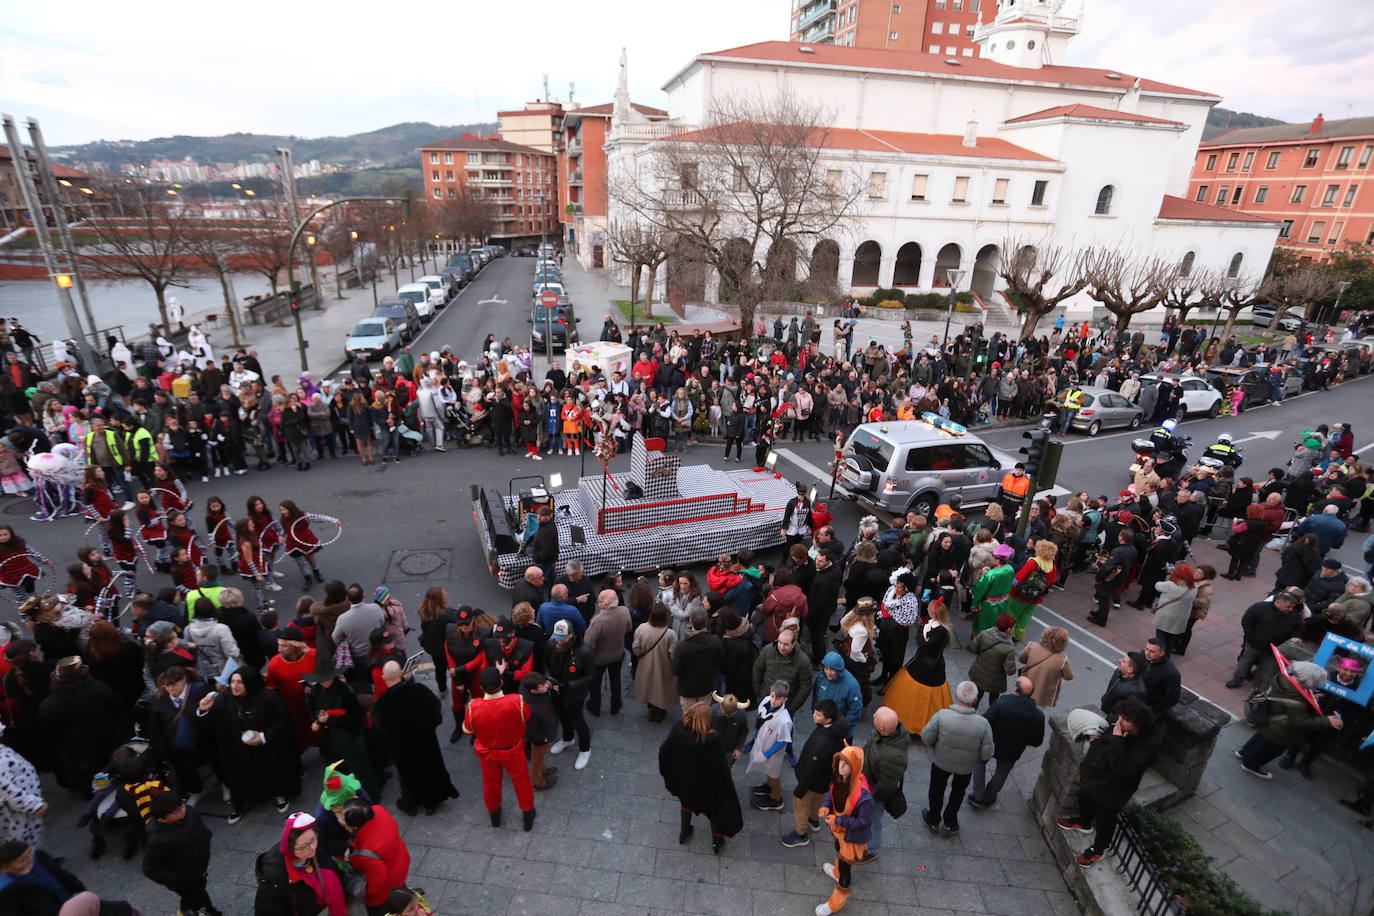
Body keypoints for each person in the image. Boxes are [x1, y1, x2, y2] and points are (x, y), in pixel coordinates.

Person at [1056, 697, 1162, 868]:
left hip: (1115, 788)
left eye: (1125, 720)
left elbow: (1123, 769)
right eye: (1120, 717)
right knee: (1085, 798)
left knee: (1105, 818)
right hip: (1096, 776)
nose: (1118, 722)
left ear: (1139, 725)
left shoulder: (1148, 745)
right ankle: (1083, 822)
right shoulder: (1118, 723)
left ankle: (1099, 848)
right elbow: (1102, 742)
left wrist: (1117, 740)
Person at [194, 668, 300, 824]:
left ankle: (279, 795)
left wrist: (263, 737)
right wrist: (202, 710)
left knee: (270, 771)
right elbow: (209, 724)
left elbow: (282, 721)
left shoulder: (269, 698)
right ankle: (240, 804)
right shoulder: (224, 700)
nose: (235, 686)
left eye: (240, 682)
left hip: (264, 748)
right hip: (236, 749)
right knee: (239, 776)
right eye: (232, 682)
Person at [373, 661, 459, 817]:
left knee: (408, 775)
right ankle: (431, 803)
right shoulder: (419, 690)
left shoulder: (381, 705)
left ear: (384, 678)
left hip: (402, 749)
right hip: (426, 742)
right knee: (430, 768)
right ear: (401, 674)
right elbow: (435, 710)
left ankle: (412, 803)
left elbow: (380, 732)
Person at [658, 701, 743, 855]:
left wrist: (673, 774)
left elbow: (664, 750)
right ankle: (717, 842)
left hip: (685, 783)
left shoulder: (678, 729)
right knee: (714, 813)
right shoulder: (712, 740)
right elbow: (720, 768)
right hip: (707, 787)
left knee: (686, 804)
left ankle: (685, 831)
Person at [463, 666, 536, 830]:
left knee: (491, 784)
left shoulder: (473, 707)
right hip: (513, 751)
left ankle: (494, 814)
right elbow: (528, 716)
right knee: (521, 782)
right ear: (501, 682)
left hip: (488, 753)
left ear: (481, 688)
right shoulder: (518, 701)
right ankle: (527, 813)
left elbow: (467, 730)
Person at [920, 681, 994, 838]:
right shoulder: (983, 724)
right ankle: (950, 822)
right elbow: (987, 753)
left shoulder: (942, 716)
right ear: (975, 700)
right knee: (958, 792)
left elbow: (926, 738)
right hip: (965, 767)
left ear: (956, 695)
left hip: (941, 762)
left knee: (936, 790)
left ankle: (933, 819)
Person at [967, 676, 1045, 811]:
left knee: (979, 762)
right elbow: (1037, 741)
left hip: (992, 742)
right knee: (1001, 772)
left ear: (1015, 689)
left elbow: (985, 722)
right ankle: (989, 797)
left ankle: (978, 795)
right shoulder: (1038, 716)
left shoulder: (1001, 704)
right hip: (1013, 750)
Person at [815, 744, 875, 916]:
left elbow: (864, 822)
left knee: (846, 869)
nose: (841, 766)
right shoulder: (839, 777)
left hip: (851, 836)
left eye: (846, 763)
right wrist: (826, 807)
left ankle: (835, 904)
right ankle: (836, 872)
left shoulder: (864, 796)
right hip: (839, 830)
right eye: (840, 761)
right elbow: (831, 795)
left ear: (854, 766)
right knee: (837, 849)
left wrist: (839, 819)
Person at [252, 811, 347, 916]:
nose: (312, 848)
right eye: (303, 846)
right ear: (290, 849)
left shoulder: (316, 847)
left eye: (313, 840)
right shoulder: (274, 879)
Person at [882, 596, 952, 737]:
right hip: (920, 663)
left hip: (929, 668)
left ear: (935, 613)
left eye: (929, 608)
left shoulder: (941, 632)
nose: (926, 609)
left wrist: (921, 631)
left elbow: (924, 645)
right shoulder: (932, 625)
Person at [781, 699, 847, 847]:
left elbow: (812, 768)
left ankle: (801, 834)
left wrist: (801, 788)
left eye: (818, 714)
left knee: (801, 804)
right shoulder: (837, 729)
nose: (814, 716)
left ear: (828, 719)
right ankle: (814, 820)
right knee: (817, 800)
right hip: (824, 780)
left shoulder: (823, 741)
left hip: (811, 781)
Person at [143, 791, 220, 916]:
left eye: (182, 805)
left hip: (199, 869)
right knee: (200, 903)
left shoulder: (187, 812)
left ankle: (186, 909)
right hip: (184, 880)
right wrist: (178, 879)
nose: (183, 809)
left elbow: (201, 827)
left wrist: (207, 837)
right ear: (162, 819)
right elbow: (149, 868)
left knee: (197, 893)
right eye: (177, 811)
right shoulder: (157, 840)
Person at [342, 798, 410, 916]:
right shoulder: (379, 810)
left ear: (354, 826)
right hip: (400, 863)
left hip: (386, 889)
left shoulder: (367, 853)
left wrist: (367, 893)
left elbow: (378, 881)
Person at [1226, 587, 1305, 688]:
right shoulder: (1259, 608)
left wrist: (1297, 637)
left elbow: (1300, 629)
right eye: (1288, 607)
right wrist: (1251, 638)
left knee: (1265, 670)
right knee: (1245, 662)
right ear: (1279, 602)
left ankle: (1257, 688)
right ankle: (1237, 679)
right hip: (1254, 645)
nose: (1291, 609)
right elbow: (1246, 622)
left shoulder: (1295, 616)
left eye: (1292, 607)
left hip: (1274, 650)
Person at [859, 706, 909, 859]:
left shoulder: (894, 756)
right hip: (867, 785)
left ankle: (871, 850)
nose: (873, 715)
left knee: (873, 821)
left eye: (875, 716)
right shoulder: (883, 734)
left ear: (882, 727)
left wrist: (870, 796)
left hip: (875, 795)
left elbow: (887, 785)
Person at [546, 619, 595, 770]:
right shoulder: (551, 644)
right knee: (561, 716)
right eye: (557, 637)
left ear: (571, 635)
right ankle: (567, 739)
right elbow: (546, 664)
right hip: (555, 690)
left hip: (574, 694)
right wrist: (548, 679)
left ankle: (585, 749)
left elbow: (591, 676)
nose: (559, 641)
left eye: (562, 638)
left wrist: (569, 686)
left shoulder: (585, 652)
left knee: (578, 720)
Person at [745, 680, 795, 811]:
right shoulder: (766, 701)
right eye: (773, 696)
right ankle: (769, 787)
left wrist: (766, 754)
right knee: (768, 772)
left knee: (774, 775)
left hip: (773, 754)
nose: (774, 700)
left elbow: (783, 741)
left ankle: (776, 799)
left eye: (778, 698)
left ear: (785, 699)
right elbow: (760, 719)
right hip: (762, 743)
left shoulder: (785, 720)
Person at [582, 588, 631, 717]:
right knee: (616, 681)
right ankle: (616, 705)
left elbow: (588, 644)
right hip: (617, 654)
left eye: (600, 601)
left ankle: (595, 706)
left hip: (599, 659)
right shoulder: (625, 611)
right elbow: (628, 628)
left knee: (595, 684)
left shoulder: (598, 621)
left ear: (607, 604)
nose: (598, 604)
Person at [631, 603, 678, 722]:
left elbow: (636, 648)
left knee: (649, 686)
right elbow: (673, 654)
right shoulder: (670, 634)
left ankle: (651, 710)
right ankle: (659, 712)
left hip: (645, 664)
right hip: (664, 667)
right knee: (661, 689)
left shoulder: (641, 628)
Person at [1005, 540, 1057, 640]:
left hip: (1020, 596)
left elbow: (1018, 578)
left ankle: (1008, 634)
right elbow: (1050, 582)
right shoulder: (1052, 567)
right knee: (1025, 617)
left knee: (1012, 614)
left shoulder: (1033, 562)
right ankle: (1017, 636)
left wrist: (1012, 592)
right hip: (1035, 598)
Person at [967, 612, 1018, 707]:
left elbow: (973, 648)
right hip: (995, 680)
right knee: (994, 700)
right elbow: (1010, 671)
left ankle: (971, 714)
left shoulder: (984, 634)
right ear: (1008, 629)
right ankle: (992, 716)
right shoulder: (1009, 647)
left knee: (976, 696)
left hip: (979, 672)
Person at [1018, 626, 1074, 708]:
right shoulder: (1063, 660)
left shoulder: (1031, 646)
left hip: (1024, 686)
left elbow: (1021, 659)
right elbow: (1069, 677)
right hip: (1042, 695)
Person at [1150, 565, 1198, 656]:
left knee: (1161, 636)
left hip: (1166, 616)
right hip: (1180, 618)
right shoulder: (1194, 588)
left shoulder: (1170, 585)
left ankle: (1159, 655)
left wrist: (1169, 577)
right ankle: (1166, 655)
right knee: (1171, 638)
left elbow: (1157, 585)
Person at [1100, 652, 1148, 719]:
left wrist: (1109, 719)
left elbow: (1125, 713)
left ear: (1130, 670)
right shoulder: (1118, 672)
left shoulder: (1137, 691)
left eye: (1123, 661)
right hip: (1102, 712)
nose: (1119, 660)